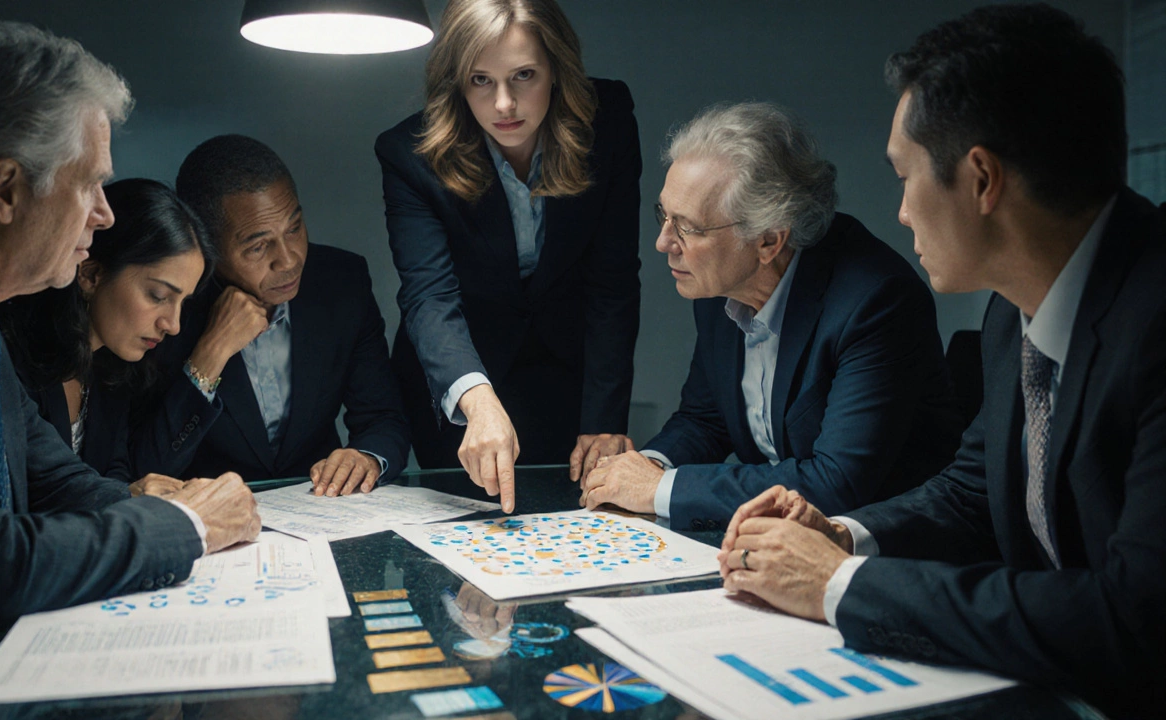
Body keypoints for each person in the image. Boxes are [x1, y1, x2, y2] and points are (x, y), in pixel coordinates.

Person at [718, 6, 1165, 715]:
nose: (899, 212)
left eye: (905, 176)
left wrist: (837, 584)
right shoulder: (1011, 307)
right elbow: (971, 496)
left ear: (982, 179)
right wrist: (841, 535)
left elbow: (1135, 622)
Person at [0, 22, 260, 682]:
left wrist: (167, 508)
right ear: (5, 190)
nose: (104, 216)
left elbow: (61, 480)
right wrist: (187, 527)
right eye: (89, 185)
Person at [579, 103, 962, 530]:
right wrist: (640, 468)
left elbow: (835, 483)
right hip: (779, 542)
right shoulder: (719, 281)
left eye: (686, 227)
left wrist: (659, 488)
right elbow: (705, 419)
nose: (663, 241)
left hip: (883, 553)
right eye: (664, 216)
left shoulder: (875, 300)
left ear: (768, 240)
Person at [375, 0, 641, 512]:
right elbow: (428, 296)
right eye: (480, 80)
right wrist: (476, 400)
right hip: (460, 382)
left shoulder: (606, 122)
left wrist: (603, 419)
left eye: (523, 75)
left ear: (556, 69)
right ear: (455, 82)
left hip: (568, 375)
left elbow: (613, 279)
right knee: (463, 561)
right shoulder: (408, 153)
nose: (504, 104)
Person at [132, 135, 410, 494]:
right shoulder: (169, 311)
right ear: (208, 246)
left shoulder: (343, 282)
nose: (289, 259)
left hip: (322, 512)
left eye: (294, 228)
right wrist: (210, 353)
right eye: (258, 246)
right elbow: (147, 467)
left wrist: (367, 457)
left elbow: (383, 417)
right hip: (211, 525)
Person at [0, 179, 214, 482]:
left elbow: (117, 472)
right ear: (91, 274)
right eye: (158, 296)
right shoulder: (12, 356)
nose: (173, 325)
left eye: (182, 302)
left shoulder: (114, 364)